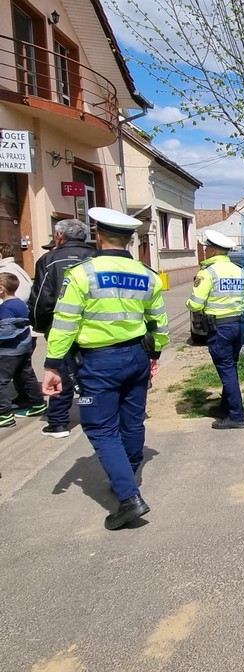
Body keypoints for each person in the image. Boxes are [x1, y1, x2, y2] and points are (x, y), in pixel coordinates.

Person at [41, 207, 169, 531]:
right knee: (132, 419)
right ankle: (127, 474)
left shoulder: (83, 274)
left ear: (98, 235)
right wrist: (154, 353)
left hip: (98, 363)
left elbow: (65, 322)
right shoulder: (147, 275)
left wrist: (53, 365)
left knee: (100, 428)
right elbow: (159, 322)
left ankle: (129, 498)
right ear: (128, 240)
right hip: (137, 358)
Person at [28, 218, 96, 438]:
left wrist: (39, 324)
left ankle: (58, 422)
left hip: (61, 326)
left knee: (60, 371)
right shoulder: (98, 258)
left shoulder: (48, 260)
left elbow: (41, 299)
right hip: (96, 327)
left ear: (59, 236)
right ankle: (95, 415)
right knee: (92, 372)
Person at [186, 230, 244, 429]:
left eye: (207, 248)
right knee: (230, 367)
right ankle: (225, 408)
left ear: (214, 250)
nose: (205, 251)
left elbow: (196, 304)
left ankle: (237, 416)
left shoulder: (208, 273)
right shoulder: (240, 271)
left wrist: (190, 303)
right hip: (237, 325)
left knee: (226, 371)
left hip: (220, 328)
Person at [0, 274, 46, 429]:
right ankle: (38, 404)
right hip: (24, 348)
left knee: (1, 381)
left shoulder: (5, 308)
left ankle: (4, 415)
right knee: (26, 376)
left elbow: (5, 332)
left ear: (1, 289)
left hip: (8, 352)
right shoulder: (20, 303)